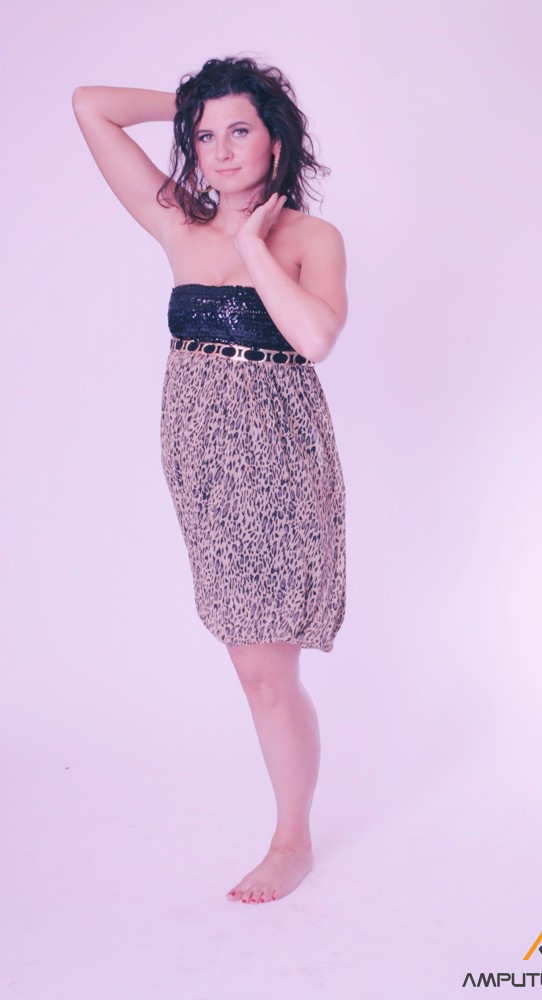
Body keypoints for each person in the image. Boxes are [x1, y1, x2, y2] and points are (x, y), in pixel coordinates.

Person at [72, 55, 347, 905]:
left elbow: (315, 340)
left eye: (239, 131)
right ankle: (293, 828)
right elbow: (90, 105)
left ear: (275, 140)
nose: (220, 151)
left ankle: (291, 839)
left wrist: (252, 247)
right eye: (203, 136)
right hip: (200, 464)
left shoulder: (310, 240)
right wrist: (191, 102)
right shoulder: (176, 220)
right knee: (253, 663)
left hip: (278, 460)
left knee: (266, 673)